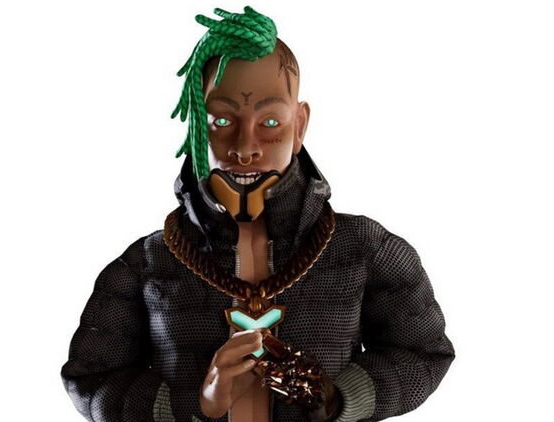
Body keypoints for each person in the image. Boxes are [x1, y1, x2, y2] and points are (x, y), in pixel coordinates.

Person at [61, 6, 455, 422]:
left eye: (269, 121)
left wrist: (338, 399)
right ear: (195, 126)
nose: (245, 147)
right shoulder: (146, 263)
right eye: (221, 119)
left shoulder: (366, 249)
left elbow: (423, 353)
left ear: (299, 125)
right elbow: (92, 379)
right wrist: (195, 403)